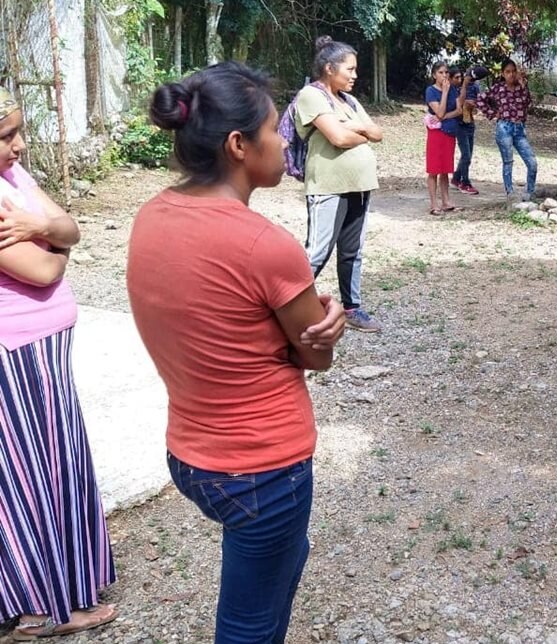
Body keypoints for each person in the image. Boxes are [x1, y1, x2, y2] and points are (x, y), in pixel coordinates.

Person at [128, 62, 346, 643]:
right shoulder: (265, 246)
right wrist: (327, 325)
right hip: (262, 468)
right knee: (249, 625)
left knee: (279, 570)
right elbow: (316, 357)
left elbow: (214, 322)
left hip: (190, 455)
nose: (283, 143)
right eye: (276, 131)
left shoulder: (151, 216)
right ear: (238, 145)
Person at [0, 87, 117, 640]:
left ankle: (61, 590)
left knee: (57, 466)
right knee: (24, 479)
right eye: (6, 136)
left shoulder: (13, 183)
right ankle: (37, 608)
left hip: (43, 351)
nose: (19, 145)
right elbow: (43, 272)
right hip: (16, 354)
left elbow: (70, 226)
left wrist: (47, 230)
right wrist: (51, 236)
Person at [298, 36, 384, 333]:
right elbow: (337, 138)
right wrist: (358, 130)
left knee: (351, 250)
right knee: (317, 252)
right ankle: (290, 308)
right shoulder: (311, 96)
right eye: (350, 69)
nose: (355, 75)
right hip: (327, 185)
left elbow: (378, 132)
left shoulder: (350, 101)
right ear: (330, 68)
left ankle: (352, 308)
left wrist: (353, 127)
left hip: (359, 185)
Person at [478, 59, 539, 201]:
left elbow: (527, 103)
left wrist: (524, 86)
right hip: (504, 128)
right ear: (503, 74)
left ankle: (529, 193)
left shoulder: (521, 87)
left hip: (519, 129)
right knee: (508, 161)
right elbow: (480, 99)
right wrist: (493, 113)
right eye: (508, 72)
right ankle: (510, 193)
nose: (511, 75)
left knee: (532, 162)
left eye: (513, 71)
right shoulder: (498, 88)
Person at [425, 62, 462, 215]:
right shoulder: (431, 91)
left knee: (445, 169)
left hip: (449, 131)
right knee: (434, 169)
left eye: (446, 72)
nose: (444, 75)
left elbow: (458, 110)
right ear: (434, 75)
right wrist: (445, 93)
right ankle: (434, 204)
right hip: (436, 133)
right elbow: (438, 112)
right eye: (440, 72)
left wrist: (445, 116)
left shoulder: (453, 89)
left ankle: (446, 201)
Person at [451, 67, 481, 196]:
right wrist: (464, 85)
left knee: (467, 155)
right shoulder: (456, 88)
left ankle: (456, 178)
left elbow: (479, 103)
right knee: (466, 156)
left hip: (470, 122)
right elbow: (456, 103)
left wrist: (474, 104)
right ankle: (465, 182)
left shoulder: (475, 87)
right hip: (459, 124)